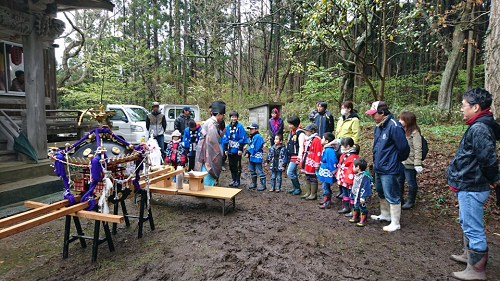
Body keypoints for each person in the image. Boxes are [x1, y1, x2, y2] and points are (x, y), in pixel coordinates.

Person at [447, 88, 500, 280]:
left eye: (463, 106)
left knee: (473, 227)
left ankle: (476, 270)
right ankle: (469, 255)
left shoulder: (479, 128)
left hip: (472, 186)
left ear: (476, 107)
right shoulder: (479, 125)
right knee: (466, 222)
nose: (461, 109)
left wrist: (494, 179)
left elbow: (487, 159)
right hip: (467, 184)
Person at [366, 101, 409, 232]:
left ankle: (395, 222)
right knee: (381, 191)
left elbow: (403, 148)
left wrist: (394, 160)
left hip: (390, 167)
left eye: (374, 114)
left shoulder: (394, 126)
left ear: (382, 113)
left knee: (392, 193)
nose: (372, 117)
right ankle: (385, 214)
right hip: (379, 165)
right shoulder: (378, 126)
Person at [195, 101, 226, 186]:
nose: (223, 117)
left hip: (204, 150)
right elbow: (213, 142)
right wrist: (220, 152)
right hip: (207, 152)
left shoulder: (210, 122)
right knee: (207, 170)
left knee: (204, 170)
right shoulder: (211, 124)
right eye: (223, 115)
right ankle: (207, 189)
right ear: (219, 114)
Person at [398, 111, 423, 210]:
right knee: (399, 180)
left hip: (410, 162)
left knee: (411, 182)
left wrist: (417, 163)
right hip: (401, 161)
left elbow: (418, 148)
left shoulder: (415, 133)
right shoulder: (401, 130)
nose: (400, 121)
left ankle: (411, 201)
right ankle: (400, 199)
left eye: (402, 119)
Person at [222, 111, 248, 187]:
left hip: (237, 149)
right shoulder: (227, 127)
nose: (234, 118)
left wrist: (240, 149)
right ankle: (233, 179)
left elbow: (243, 138)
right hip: (230, 149)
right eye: (232, 117)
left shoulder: (240, 127)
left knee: (237, 165)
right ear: (230, 118)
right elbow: (225, 138)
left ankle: (237, 180)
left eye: (235, 117)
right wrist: (226, 149)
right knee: (231, 165)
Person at [299, 123, 322, 200]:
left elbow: (318, 152)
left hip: (312, 159)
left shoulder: (316, 140)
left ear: (313, 131)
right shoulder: (307, 138)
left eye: (308, 131)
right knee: (307, 175)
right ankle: (308, 192)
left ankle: (313, 193)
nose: (306, 132)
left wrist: (317, 163)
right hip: (306, 158)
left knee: (312, 176)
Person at [336, 137, 359, 214]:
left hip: (348, 177)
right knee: (344, 192)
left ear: (348, 146)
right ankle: (346, 207)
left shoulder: (354, 157)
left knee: (351, 193)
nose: (341, 147)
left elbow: (352, 169)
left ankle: (353, 209)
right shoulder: (344, 155)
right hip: (343, 176)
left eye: (342, 146)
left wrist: (348, 179)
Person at [348, 158, 373, 227]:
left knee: (362, 207)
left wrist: (363, 197)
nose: (352, 168)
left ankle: (363, 219)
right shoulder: (357, 175)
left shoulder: (365, 177)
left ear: (358, 167)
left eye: (353, 166)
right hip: (355, 193)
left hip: (361, 195)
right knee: (356, 205)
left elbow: (366, 188)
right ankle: (356, 216)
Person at [317, 132, 338, 209]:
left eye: (322, 138)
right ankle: (326, 200)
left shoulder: (329, 150)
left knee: (325, 187)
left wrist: (333, 170)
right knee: (325, 186)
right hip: (325, 169)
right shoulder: (327, 149)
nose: (321, 139)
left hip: (327, 170)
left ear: (327, 141)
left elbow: (332, 160)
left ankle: (327, 202)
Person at [286, 116, 305, 195]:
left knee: (289, 172)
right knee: (293, 172)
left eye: (291, 124)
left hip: (296, 155)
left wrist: (299, 157)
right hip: (290, 155)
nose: (289, 126)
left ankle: (297, 188)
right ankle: (295, 187)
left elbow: (301, 146)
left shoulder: (300, 133)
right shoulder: (291, 132)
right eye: (289, 124)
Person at [245, 123, 266, 190]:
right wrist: (247, 151)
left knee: (259, 170)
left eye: (252, 129)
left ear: (256, 129)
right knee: (252, 170)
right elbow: (249, 145)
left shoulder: (257, 137)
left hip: (257, 155)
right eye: (250, 129)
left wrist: (249, 152)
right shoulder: (251, 137)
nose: (251, 130)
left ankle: (263, 185)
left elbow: (255, 146)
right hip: (252, 155)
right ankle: (254, 184)